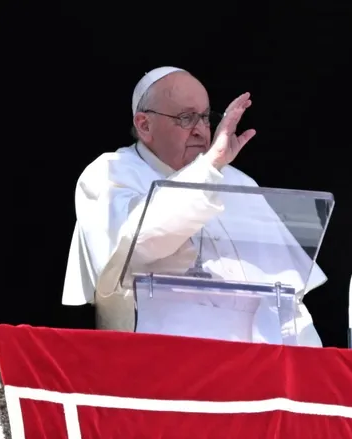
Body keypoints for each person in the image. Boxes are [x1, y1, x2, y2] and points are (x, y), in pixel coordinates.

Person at [62, 66, 328, 346]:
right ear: (144, 125)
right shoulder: (111, 172)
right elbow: (137, 243)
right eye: (187, 118)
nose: (202, 130)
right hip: (158, 357)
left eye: (205, 117)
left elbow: (284, 294)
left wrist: (308, 359)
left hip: (254, 363)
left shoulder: (240, 183)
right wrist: (210, 166)